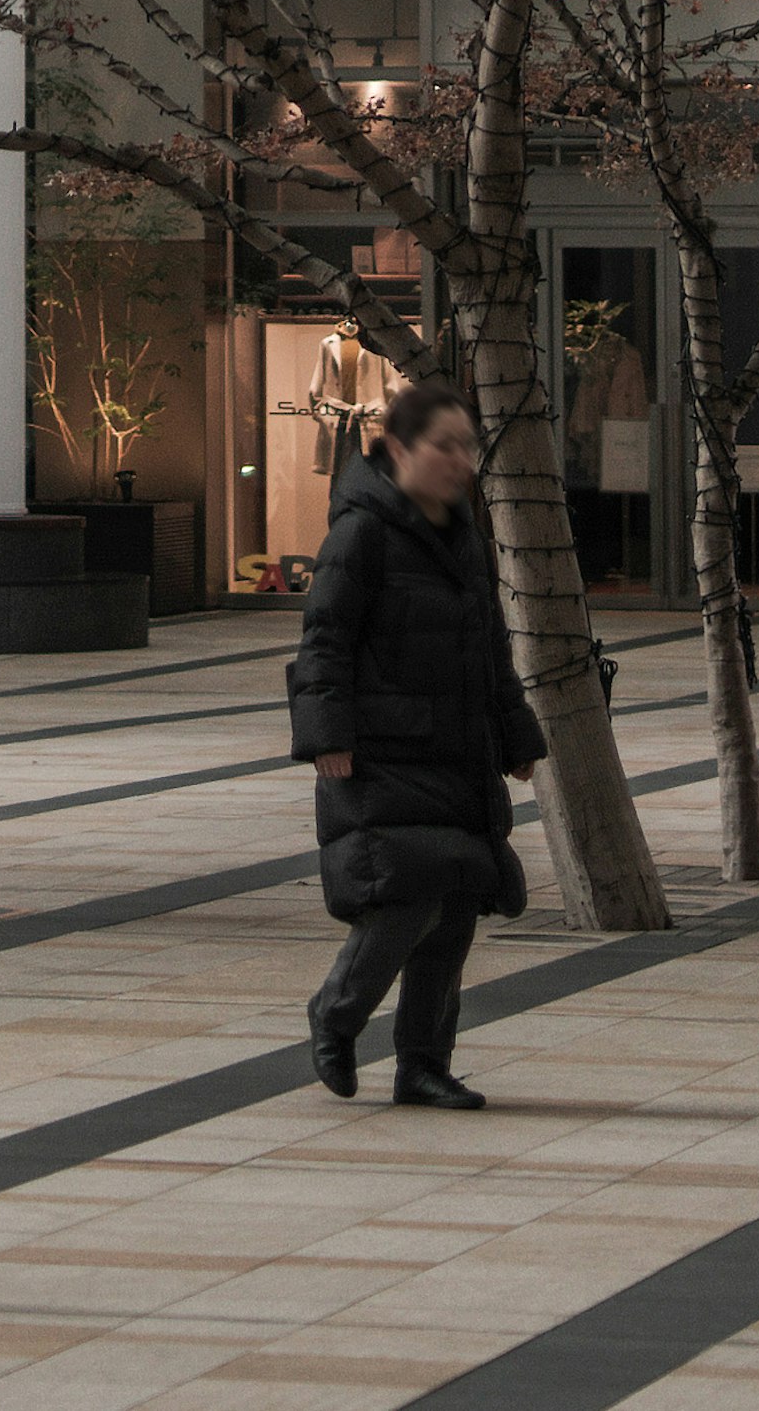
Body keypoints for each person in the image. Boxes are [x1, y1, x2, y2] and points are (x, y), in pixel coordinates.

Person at [291, 374, 546, 1111]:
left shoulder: (462, 538)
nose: (461, 460)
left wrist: (515, 735)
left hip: (455, 749)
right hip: (382, 751)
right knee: (404, 902)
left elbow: (490, 647)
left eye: (468, 446)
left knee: (456, 908)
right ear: (399, 448)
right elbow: (324, 641)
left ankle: (424, 1065)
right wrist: (326, 735)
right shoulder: (361, 531)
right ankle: (335, 1015)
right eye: (445, 445)